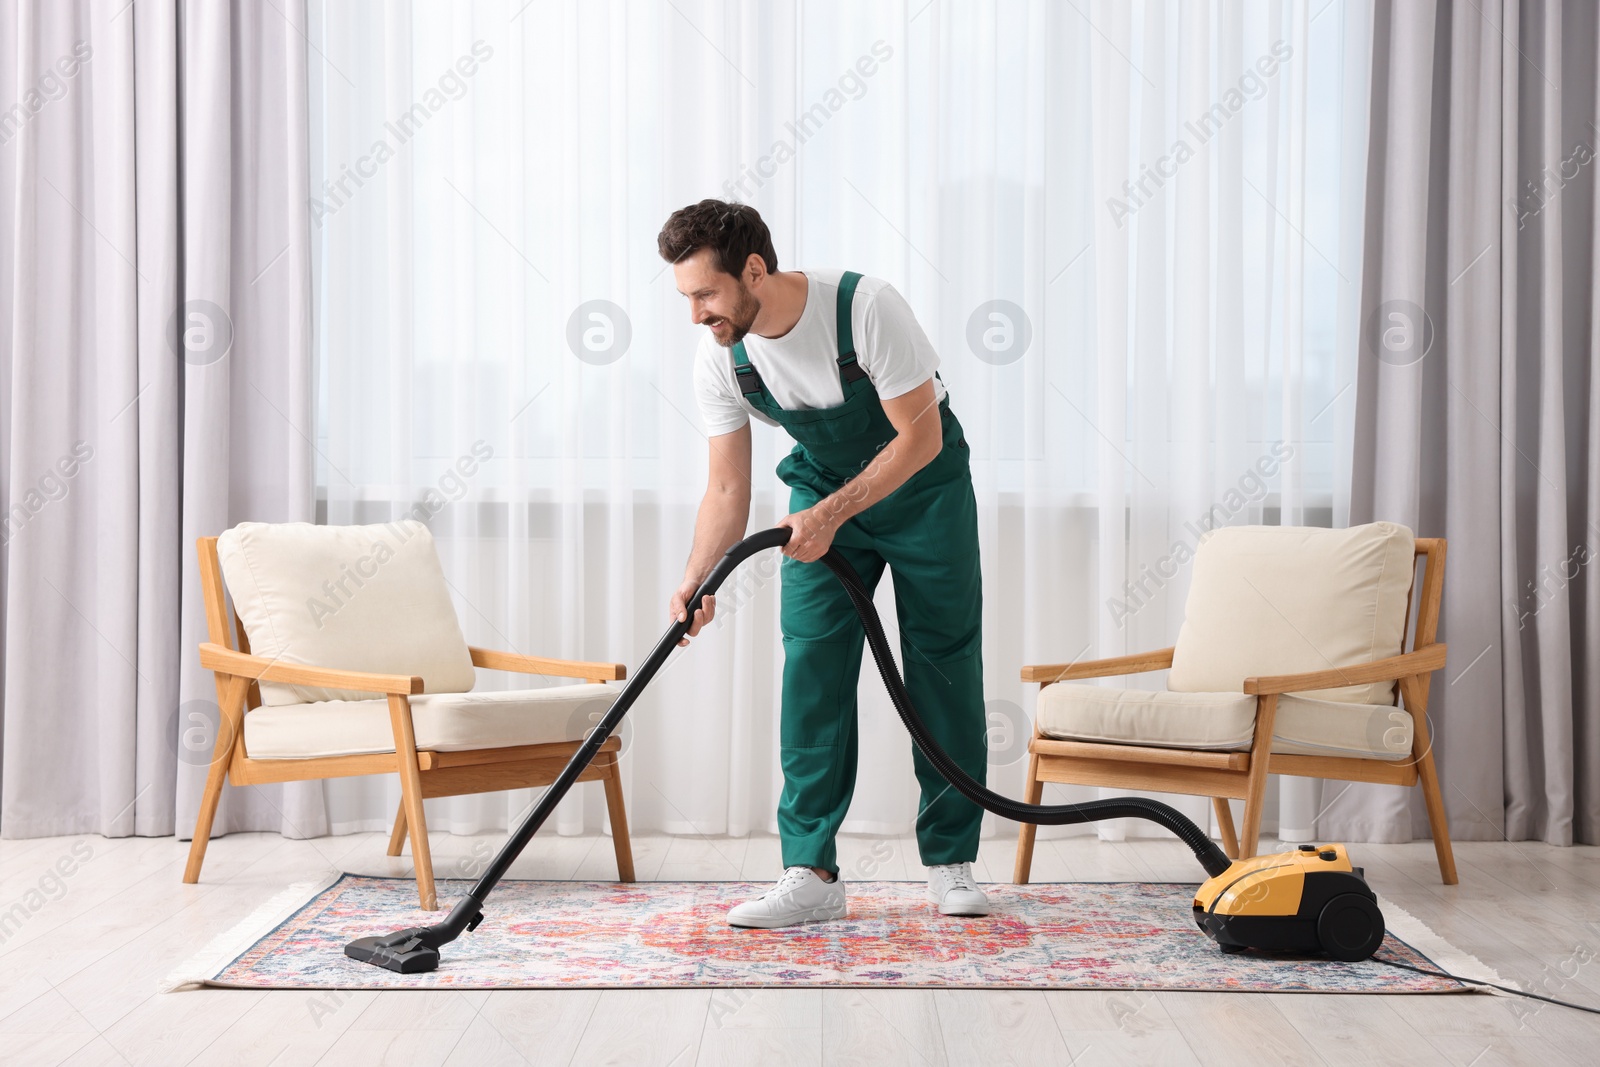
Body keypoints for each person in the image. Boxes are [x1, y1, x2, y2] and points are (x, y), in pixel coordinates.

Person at [658, 199, 989, 929]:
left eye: (705, 294)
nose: (696, 315)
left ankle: (951, 862)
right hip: (819, 489)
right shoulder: (721, 355)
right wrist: (699, 577)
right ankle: (810, 871)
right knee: (811, 669)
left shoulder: (866, 308)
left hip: (923, 487)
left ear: (754, 270)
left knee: (943, 661)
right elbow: (726, 486)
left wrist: (834, 513)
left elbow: (921, 438)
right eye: (685, 298)